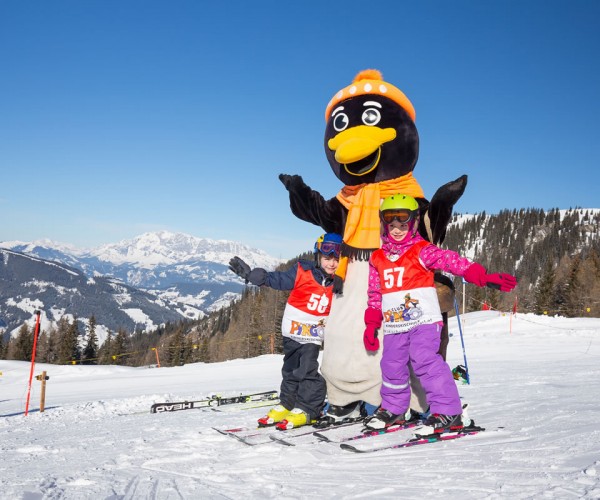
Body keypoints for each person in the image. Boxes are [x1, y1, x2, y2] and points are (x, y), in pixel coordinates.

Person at [363, 194, 517, 432]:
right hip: (394, 324)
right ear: (384, 224)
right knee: (391, 364)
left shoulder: (422, 251)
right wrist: (371, 323)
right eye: (391, 225)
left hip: (423, 320)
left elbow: (451, 261)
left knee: (424, 358)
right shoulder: (377, 258)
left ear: (413, 223)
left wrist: (482, 276)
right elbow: (374, 293)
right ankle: (394, 409)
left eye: (403, 225)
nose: (396, 230)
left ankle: (448, 411)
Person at [228, 233, 342, 429]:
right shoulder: (302, 271)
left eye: (336, 259)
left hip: (312, 335)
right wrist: (258, 277)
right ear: (318, 257)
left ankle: (309, 408)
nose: (331, 263)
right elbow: (279, 279)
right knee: (290, 370)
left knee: (306, 370)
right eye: (327, 258)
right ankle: (288, 403)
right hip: (291, 331)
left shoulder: (339, 283)